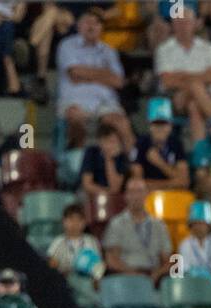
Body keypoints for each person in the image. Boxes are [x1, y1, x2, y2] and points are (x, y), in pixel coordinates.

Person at [55, 9, 131, 150]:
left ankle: (133, 166)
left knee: (121, 123)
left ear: (101, 28)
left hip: (105, 104)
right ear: (78, 25)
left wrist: (86, 74)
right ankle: (77, 164)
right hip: (74, 101)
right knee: (76, 118)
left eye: (96, 23)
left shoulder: (109, 51)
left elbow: (118, 81)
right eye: (87, 22)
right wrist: (104, 75)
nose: (91, 26)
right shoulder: (67, 45)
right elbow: (74, 73)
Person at [154, 6, 211, 142]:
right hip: (174, 98)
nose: (183, 26)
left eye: (187, 22)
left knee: (194, 107)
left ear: (195, 24)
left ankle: (199, 154)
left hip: (205, 96)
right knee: (195, 86)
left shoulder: (208, 48)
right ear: (173, 25)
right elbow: (167, 81)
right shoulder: (164, 50)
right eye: (179, 22)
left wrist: (182, 75)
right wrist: (200, 77)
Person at [102, 177, 174, 284]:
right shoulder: (116, 224)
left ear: (146, 194)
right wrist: (133, 274)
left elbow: (168, 260)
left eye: (140, 191)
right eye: (132, 192)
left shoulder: (159, 225)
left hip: (154, 276)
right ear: (125, 196)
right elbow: (111, 260)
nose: (136, 196)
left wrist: (157, 274)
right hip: (126, 276)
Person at [80, 122, 130, 203]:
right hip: (95, 196)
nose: (111, 145)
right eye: (108, 141)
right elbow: (87, 184)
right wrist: (107, 193)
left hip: (116, 198)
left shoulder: (122, 157)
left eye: (114, 141)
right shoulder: (91, 152)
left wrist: (109, 160)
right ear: (100, 142)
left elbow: (115, 187)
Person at [178, 200, 211, 281]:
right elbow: (185, 270)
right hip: (191, 284)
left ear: (208, 225)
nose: (198, 227)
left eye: (202, 223)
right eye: (195, 223)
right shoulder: (185, 244)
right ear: (191, 226)